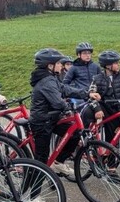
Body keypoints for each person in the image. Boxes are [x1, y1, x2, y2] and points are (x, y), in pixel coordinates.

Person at [29, 48, 88, 181]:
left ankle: (59, 162)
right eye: (59, 63)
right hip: (42, 123)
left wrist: (86, 93)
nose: (61, 65)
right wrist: (68, 108)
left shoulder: (51, 77)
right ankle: (32, 197)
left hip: (51, 119)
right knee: (41, 161)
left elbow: (64, 89)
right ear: (50, 65)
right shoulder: (46, 81)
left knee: (75, 132)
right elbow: (57, 102)